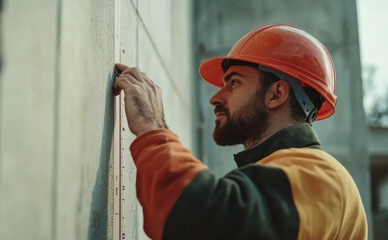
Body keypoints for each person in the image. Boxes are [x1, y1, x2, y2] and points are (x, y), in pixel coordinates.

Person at [113, 24, 367, 240]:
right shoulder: (284, 172)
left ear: (276, 94)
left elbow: (202, 219)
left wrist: (152, 127)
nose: (215, 98)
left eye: (234, 82)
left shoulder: (323, 178)